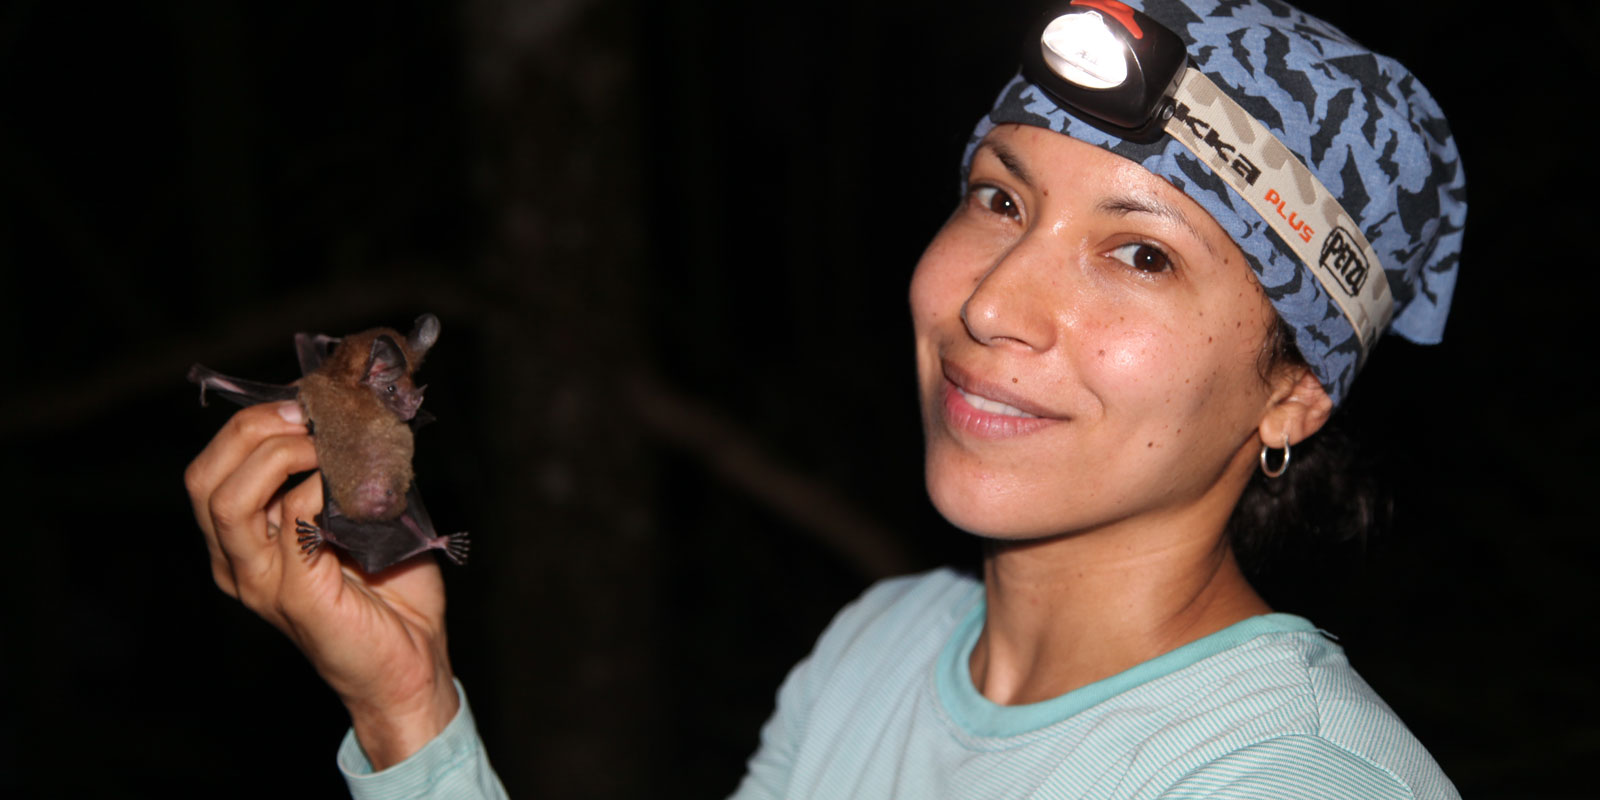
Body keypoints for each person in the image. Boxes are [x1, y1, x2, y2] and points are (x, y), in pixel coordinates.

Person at [184, 0, 1466, 797]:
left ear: (1292, 394)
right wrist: (408, 708)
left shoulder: (1280, 777)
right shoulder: (880, 649)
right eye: (999, 198)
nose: (993, 302)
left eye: (1139, 252)